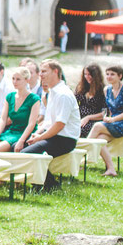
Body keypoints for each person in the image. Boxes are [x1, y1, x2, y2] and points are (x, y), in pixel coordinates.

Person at [22, 59, 81, 192]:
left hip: (65, 139)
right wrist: (38, 132)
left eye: (44, 71)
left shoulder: (63, 94)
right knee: (20, 145)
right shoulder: (52, 92)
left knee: (27, 154)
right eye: (41, 71)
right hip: (55, 136)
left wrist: (39, 138)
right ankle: (42, 183)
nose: (41, 75)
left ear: (55, 72)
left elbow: (60, 124)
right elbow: (49, 121)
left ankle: (48, 185)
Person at [88, 65, 123, 177]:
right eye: (107, 74)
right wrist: (106, 117)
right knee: (100, 140)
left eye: (112, 74)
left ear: (120, 76)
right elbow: (109, 110)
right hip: (113, 123)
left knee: (97, 126)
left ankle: (81, 158)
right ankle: (111, 169)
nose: (109, 76)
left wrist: (113, 119)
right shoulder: (107, 90)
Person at [0, 66, 40, 152]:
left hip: (24, 133)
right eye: (13, 78)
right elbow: (3, 119)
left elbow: (32, 124)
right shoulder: (10, 96)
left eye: (18, 79)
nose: (14, 82)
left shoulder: (34, 99)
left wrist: (21, 141)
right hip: (11, 131)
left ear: (27, 80)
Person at [75, 63, 105, 138]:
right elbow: (74, 102)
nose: (87, 77)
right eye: (85, 74)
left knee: (82, 130)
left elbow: (104, 113)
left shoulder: (102, 90)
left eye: (90, 75)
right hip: (79, 117)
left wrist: (88, 117)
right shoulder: (81, 87)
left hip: (93, 120)